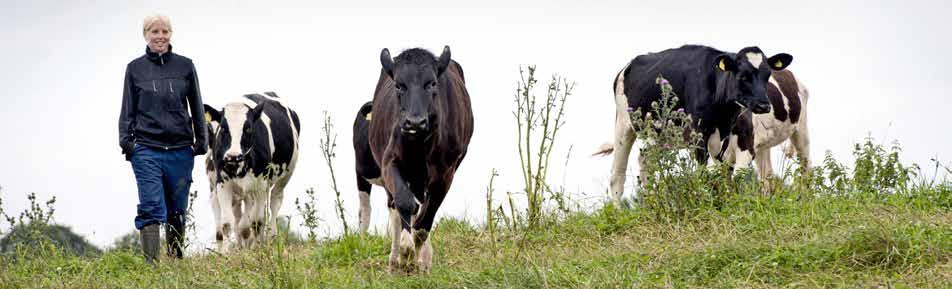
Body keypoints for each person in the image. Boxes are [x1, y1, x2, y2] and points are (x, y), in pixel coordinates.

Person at [118, 14, 207, 263]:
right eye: (154, 31)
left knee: (177, 208)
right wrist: (128, 143)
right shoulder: (134, 69)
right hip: (146, 149)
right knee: (151, 206)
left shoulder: (186, 66)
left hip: (180, 149)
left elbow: (197, 105)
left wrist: (201, 142)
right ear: (145, 34)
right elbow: (127, 109)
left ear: (171, 34)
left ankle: (176, 262)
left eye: (165, 31)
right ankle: (151, 267)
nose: (160, 36)